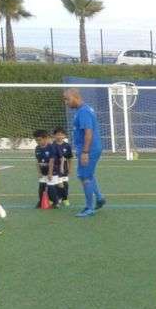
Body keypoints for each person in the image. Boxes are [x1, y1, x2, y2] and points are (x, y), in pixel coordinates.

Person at [63, 88, 105, 217]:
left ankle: (89, 208)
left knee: (84, 177)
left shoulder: (84, 112)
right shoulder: (84, 110)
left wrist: (85, 152)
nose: (66, 102)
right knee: (88, 175)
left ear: (76, 97)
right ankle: (99, 198)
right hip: (90, 148)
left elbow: (88, 132)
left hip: (89, 149)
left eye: (67, 99)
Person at [34, 129, 59, 208]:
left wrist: (50, 173)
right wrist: (39, 172)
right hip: (43, 172)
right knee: (41, 187)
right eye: (36, 140)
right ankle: (41, 201)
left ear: (45, 138)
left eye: (39, 140)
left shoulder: (51, 147)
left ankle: (55, 202)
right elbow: (37, 161)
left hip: (53, 171)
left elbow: (52, 161)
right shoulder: (37, 148)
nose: (38, 142)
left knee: (51, 187)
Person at [52, 127, 73, 207]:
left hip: (64, 168)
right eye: (57, 135)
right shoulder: (52, 145)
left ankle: (65, 198)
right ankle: (59, 197)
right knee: (56, 184)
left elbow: (69, 158)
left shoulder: (67, 146)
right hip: (55, 169)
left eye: (61, 135)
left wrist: (70, 169)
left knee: (65, 184)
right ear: (54, 136)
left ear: (64, 136)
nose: (59, 136)